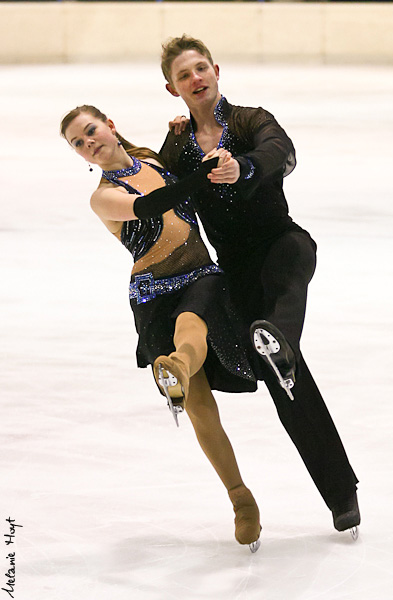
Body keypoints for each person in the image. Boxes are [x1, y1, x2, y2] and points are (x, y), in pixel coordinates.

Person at [157, 35, 360, 535]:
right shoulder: (180, 145)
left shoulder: (250, 120)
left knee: (290, 278)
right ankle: (342, 495)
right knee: (287, 383)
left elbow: (281, 152)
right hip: (239, 275)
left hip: (281, 242)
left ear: (217, 70)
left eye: (201, 68)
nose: (196, 79)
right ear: (172, 88)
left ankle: (277, 338)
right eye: (184, 75)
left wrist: (241, 166)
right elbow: (158, 184)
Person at [59, 105, 262, 551]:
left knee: (193, 325)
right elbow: (152, 204)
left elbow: (181, 162)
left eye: (91, 130)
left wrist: (183, 134)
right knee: (201, 409)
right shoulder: (103, 196)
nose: (88, 142)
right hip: (152, 293)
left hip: (200, 275)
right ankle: (240, 499)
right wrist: (200, 172)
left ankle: (177, 366)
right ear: (80, 155)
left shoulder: (152, 158)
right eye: (78, 142)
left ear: (110, 125)